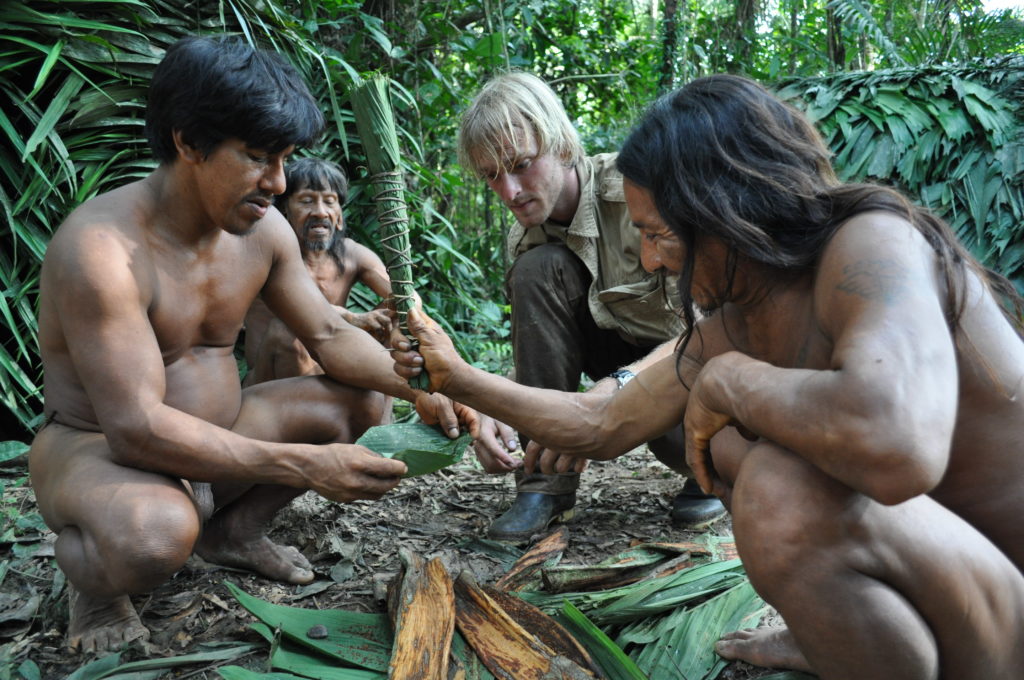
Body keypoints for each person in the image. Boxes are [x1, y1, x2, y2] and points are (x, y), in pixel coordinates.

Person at [398, 74, 1024, 678]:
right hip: (958, 593)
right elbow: (600, 422)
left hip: (1009, 620)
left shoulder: (871, 243)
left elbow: (899, 445)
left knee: (781, 489)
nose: (649, 259)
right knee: (737, 451)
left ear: (725, 211)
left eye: (659, 233)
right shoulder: (742, 317)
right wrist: (456, 377)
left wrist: (729, 382)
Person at [27, 35, 476, 655]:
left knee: (364, 402)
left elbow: (327, 335)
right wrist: (304, 464)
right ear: (188, 142)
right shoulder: (101, 252)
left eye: (286, 157)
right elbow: (133, 427)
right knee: (153, 536)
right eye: (258, 157)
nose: (279, 182)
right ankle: (95, 585)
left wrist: (433, 387)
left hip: (223, 435)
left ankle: (233, 531)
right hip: (101, 451)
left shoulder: (262, 232)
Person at [457, 72, 725, 542]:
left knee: (706, 444)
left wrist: (617, 389)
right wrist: (503, 408)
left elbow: (716, 328)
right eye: (492, 176)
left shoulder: (636, 191)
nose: (510, 191)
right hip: (615, 361)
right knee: (537, 269)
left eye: (521, 164)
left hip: (689, 371)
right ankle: (545, 485)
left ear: (560, 143)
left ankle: (709, 471)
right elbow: (543, 352)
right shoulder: (527, 235)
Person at [244, 157, 394, 386]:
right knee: (286, 329)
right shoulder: (266, 253)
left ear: (340, 217)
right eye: (306, 201)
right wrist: (352, 318)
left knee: (396, 316)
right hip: (268, 384)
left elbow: (406, 297)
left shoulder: (352, 254)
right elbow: (298, 314)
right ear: (284, 212)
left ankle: (383, 419)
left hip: (332, 376)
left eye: (330, 201)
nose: (320, 212)